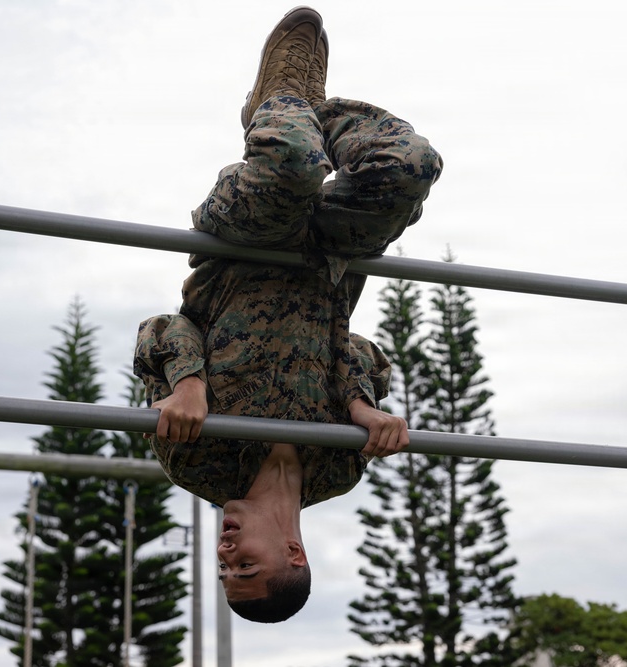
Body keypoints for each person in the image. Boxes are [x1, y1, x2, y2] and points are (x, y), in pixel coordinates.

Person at [133, 6, 442, 623]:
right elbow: (360, 352)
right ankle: (298, 106)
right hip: (329, 260)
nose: (226, 555)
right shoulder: (339, 466)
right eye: (246, 566)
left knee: (295, 162)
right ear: (293, 553)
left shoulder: (194, 462)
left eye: (225, 570)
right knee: (410, 163)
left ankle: (283, 109)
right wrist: (360, 406)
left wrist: (187, 384)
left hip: (244, 244)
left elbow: (161, 331)